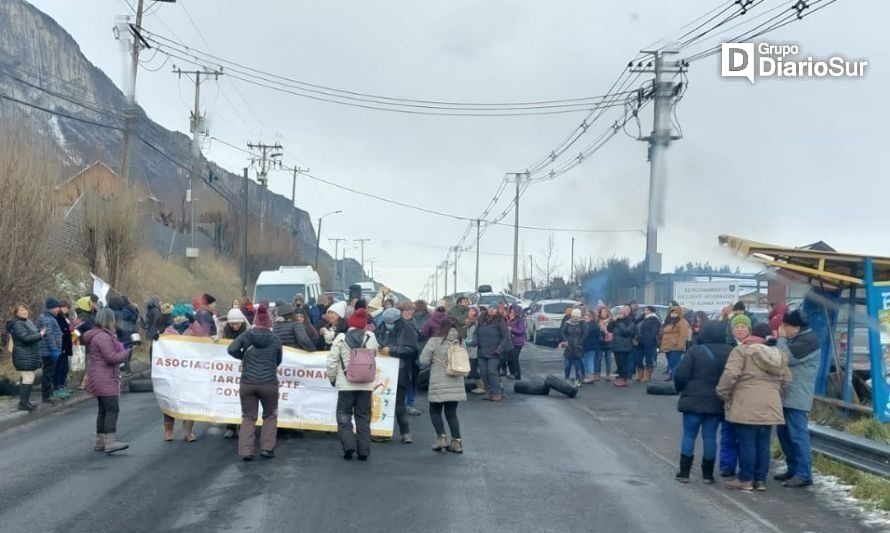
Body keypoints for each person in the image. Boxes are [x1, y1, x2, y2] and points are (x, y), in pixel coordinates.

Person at [717, 321, 791, 491]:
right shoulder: (779, 354)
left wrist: (723, 393)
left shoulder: (742, 351)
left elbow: (731, 375)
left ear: (751, 334)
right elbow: (787, 379)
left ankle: (745, 478)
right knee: (763, 443)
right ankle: (760, 479)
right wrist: (777, 392)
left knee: (747, 443)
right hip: (771, 403)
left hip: (746, 402)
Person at [673, 321, 734, 484]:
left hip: (692, 400)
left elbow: (681, 374)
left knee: (689, 436)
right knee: (710, 437)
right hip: (715, 401)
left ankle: (684, 473)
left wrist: (680, 388)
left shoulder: (695, 351)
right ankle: (707, 474)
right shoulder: (730, 352)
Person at [227, 305, 283, 461]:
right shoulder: (275, 339)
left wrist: (243, 356)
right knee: (270, 415)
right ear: (270, 323)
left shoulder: (247, 335)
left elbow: (231, 349)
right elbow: (278, 361)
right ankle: (267, 448)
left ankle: (246, 451)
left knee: (248, 417)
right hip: (269, 383)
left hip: (248, 382)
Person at [774, 309, 820, 488]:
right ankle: (793, 469)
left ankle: (804, 473)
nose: (783, 328)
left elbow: (783, 358)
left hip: (797, 396)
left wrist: (781, 338)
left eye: (786, 326)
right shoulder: (798, 339)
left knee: (798, 435)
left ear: (796, 327)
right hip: (787, 395)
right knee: (784, 434)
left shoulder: (808, 341)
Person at [327, 308, 378, 461]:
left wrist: (333, 379)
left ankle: (348, 446)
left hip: (345, 384)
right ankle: (364, 451)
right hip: (365, 385)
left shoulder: (341, 338)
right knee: (363, 417)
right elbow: (374, 356)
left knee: (344, 415)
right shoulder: (371, 337)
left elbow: (332, 361)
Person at [83, 308, 131, 454]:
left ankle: (100, 442)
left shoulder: (98, 335)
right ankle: (110, 442)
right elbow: (111, 358)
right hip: (105, 377)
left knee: (103, 410)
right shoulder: (102, 337)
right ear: (109, 320)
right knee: (112, 409)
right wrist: (127, 351)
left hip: (98, 376)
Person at [420, 316, 467, 453]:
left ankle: (441, 439)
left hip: (438, 381)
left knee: (435, 411)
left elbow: (424, 360)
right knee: (451, 413)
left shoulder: (435, 341)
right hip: (456, 380)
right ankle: (457, 443)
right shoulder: (460, 342)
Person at [376, 305, 420, 442]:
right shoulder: (381, 328)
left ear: (397, 321)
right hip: (382, 370)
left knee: (398, 402)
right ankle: (381, 432)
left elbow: (412, 350)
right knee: (381, 401)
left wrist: (392, 350)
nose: (388, 325)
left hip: (400, 370)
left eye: (391, 323)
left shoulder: (408, 329)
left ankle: (405, 432)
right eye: (386, 322)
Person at [161, 304, 203, 441]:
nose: (178, 318)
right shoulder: (169, 330)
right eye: (176, 315)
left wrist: (193, 322)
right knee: (170, 401)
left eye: (182, 315)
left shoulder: (193, 329)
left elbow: (202, 338)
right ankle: (168, 430)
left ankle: (188, 432)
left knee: (189, 402)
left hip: (190, 372)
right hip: (172, 373)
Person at [6, 304, 46, 411]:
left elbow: (33, 335)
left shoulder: (27, 322)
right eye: (21, 310)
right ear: (16, 313)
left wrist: (41, 333)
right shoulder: (17, 324)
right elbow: (25, 338)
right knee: (28, 378)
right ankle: (23, 403)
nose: (25, 311)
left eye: (25, 309)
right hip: (22, 355)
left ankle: (25, 402)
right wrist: (40, 335)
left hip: (29, 354)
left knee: (29, 378)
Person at [221, 307, 250, 439]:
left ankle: (243, 426)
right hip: (229, 370)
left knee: (244, 398)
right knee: (230, 398)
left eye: (237, 323)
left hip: (244, 368)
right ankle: (231, 427)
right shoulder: (225, 330)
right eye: (232, 324)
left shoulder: (248, 330)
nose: (235, 326)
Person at [473, 305, 511, 401]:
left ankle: (497, 393)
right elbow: (475, 333)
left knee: (492, 372)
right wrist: (475, 341)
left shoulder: (500, 321)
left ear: (497, 310)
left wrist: (499, 349)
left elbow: (506, 337)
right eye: (490, 308)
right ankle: (488, 392)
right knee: (483, 373)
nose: (491, 310)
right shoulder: (481, 320)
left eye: (493, 308)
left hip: (494, 353)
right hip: (482, 352)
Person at [36, 297, 63, 405]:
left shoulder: (50, 317)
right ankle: (46, 396)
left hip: (49, 350)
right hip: (47, 351)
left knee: (49, 373)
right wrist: (54, 349)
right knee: (47, 373)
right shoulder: (46, 318)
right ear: (51, 308)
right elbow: (49, 335)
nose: (58, 310)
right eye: (57, 308)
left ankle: (49, 394)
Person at [609, 305, 637, 388]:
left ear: (627, 312)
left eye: (621, 312)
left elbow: (627, 332)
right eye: (619, 312)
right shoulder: (617, 320)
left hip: (625, 346)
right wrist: (613, 321)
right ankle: (621, 377)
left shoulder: (630, 321)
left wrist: (620, 322)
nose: (619, 314)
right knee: (619, 364)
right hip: (616, 345)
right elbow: (609, 329)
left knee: (624, 363)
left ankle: (625, 379)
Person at [661, 306, 690, 382]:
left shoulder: (682, 322)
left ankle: (675, 378)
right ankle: (671, 376)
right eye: (672, 312)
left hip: (675, 347)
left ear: (679, 313)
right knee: (670, 363)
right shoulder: (670, 321)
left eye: (675, 312)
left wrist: (680, 346)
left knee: (675, 363)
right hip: (667, 346)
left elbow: (683, 335)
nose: (673, 314)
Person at [559, 309, 588, 387]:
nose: (575, 318)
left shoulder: (582, 323)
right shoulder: (567, 323)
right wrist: (565, 341)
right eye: (574, 316)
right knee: (567, 365)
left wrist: (580, 343)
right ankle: (566, 379)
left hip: (578, 348)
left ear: (579, 316)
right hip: (568, 347)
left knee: (578, 365)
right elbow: (563, 332)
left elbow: (585, 334)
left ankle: (578, 380)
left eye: (577, 316)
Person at [52, 299, 74, 399]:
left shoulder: (65, 317)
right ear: (61, 307)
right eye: (66, 307)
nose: (67, 309)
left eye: (68, 308)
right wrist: (67, 330)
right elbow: (60, 330)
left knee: (65, 368)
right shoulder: (58, 317)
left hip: (66, 344)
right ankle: (57, 387)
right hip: (61, 345)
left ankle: (62, 386)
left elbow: (67, 328)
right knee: (59, 367)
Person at [636, 306, 661, 383]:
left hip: (649, 342)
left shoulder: (655, 319)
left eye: (645, 310)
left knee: (648, 359)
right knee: (638, 358)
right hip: (640, 342)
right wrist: (641, 316)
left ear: (650, 311)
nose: (644, 311)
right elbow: (636, 322)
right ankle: (640, 374)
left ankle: (647, 376)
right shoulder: (644, 318)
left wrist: (649, 341)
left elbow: (654, 331)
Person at [465, 306, 485, 394]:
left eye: (472, 311)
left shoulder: (476, 323)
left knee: (473, 369)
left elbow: (477, 336)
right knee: (470, 369)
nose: (469, 312)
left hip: (475, 350)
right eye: (469, 310)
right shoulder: (468, 323)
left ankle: (481, 386)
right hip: (469, 349)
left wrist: (470, 341)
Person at [506, 305, 526, 380]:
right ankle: (512, 373)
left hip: (517, 342)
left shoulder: (520, 320)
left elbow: (521, 331)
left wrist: (511, 329)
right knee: (509, 358)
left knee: (514, 358)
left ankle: (517, 374)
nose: (511, 313)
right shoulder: (508, 319)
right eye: (510, 311)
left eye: (512, 312)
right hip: (509, 342)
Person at [596, 307, 614, 382]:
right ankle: (597, 374)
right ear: (600, 313)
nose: (604, 313)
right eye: (603, 312)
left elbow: (612, 330)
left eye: (605, 312)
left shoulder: (610, 321)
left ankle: (608, 374)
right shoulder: (597, 321)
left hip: (608, 342)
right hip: (599, 342)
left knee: (608, 359)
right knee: (598, 359)